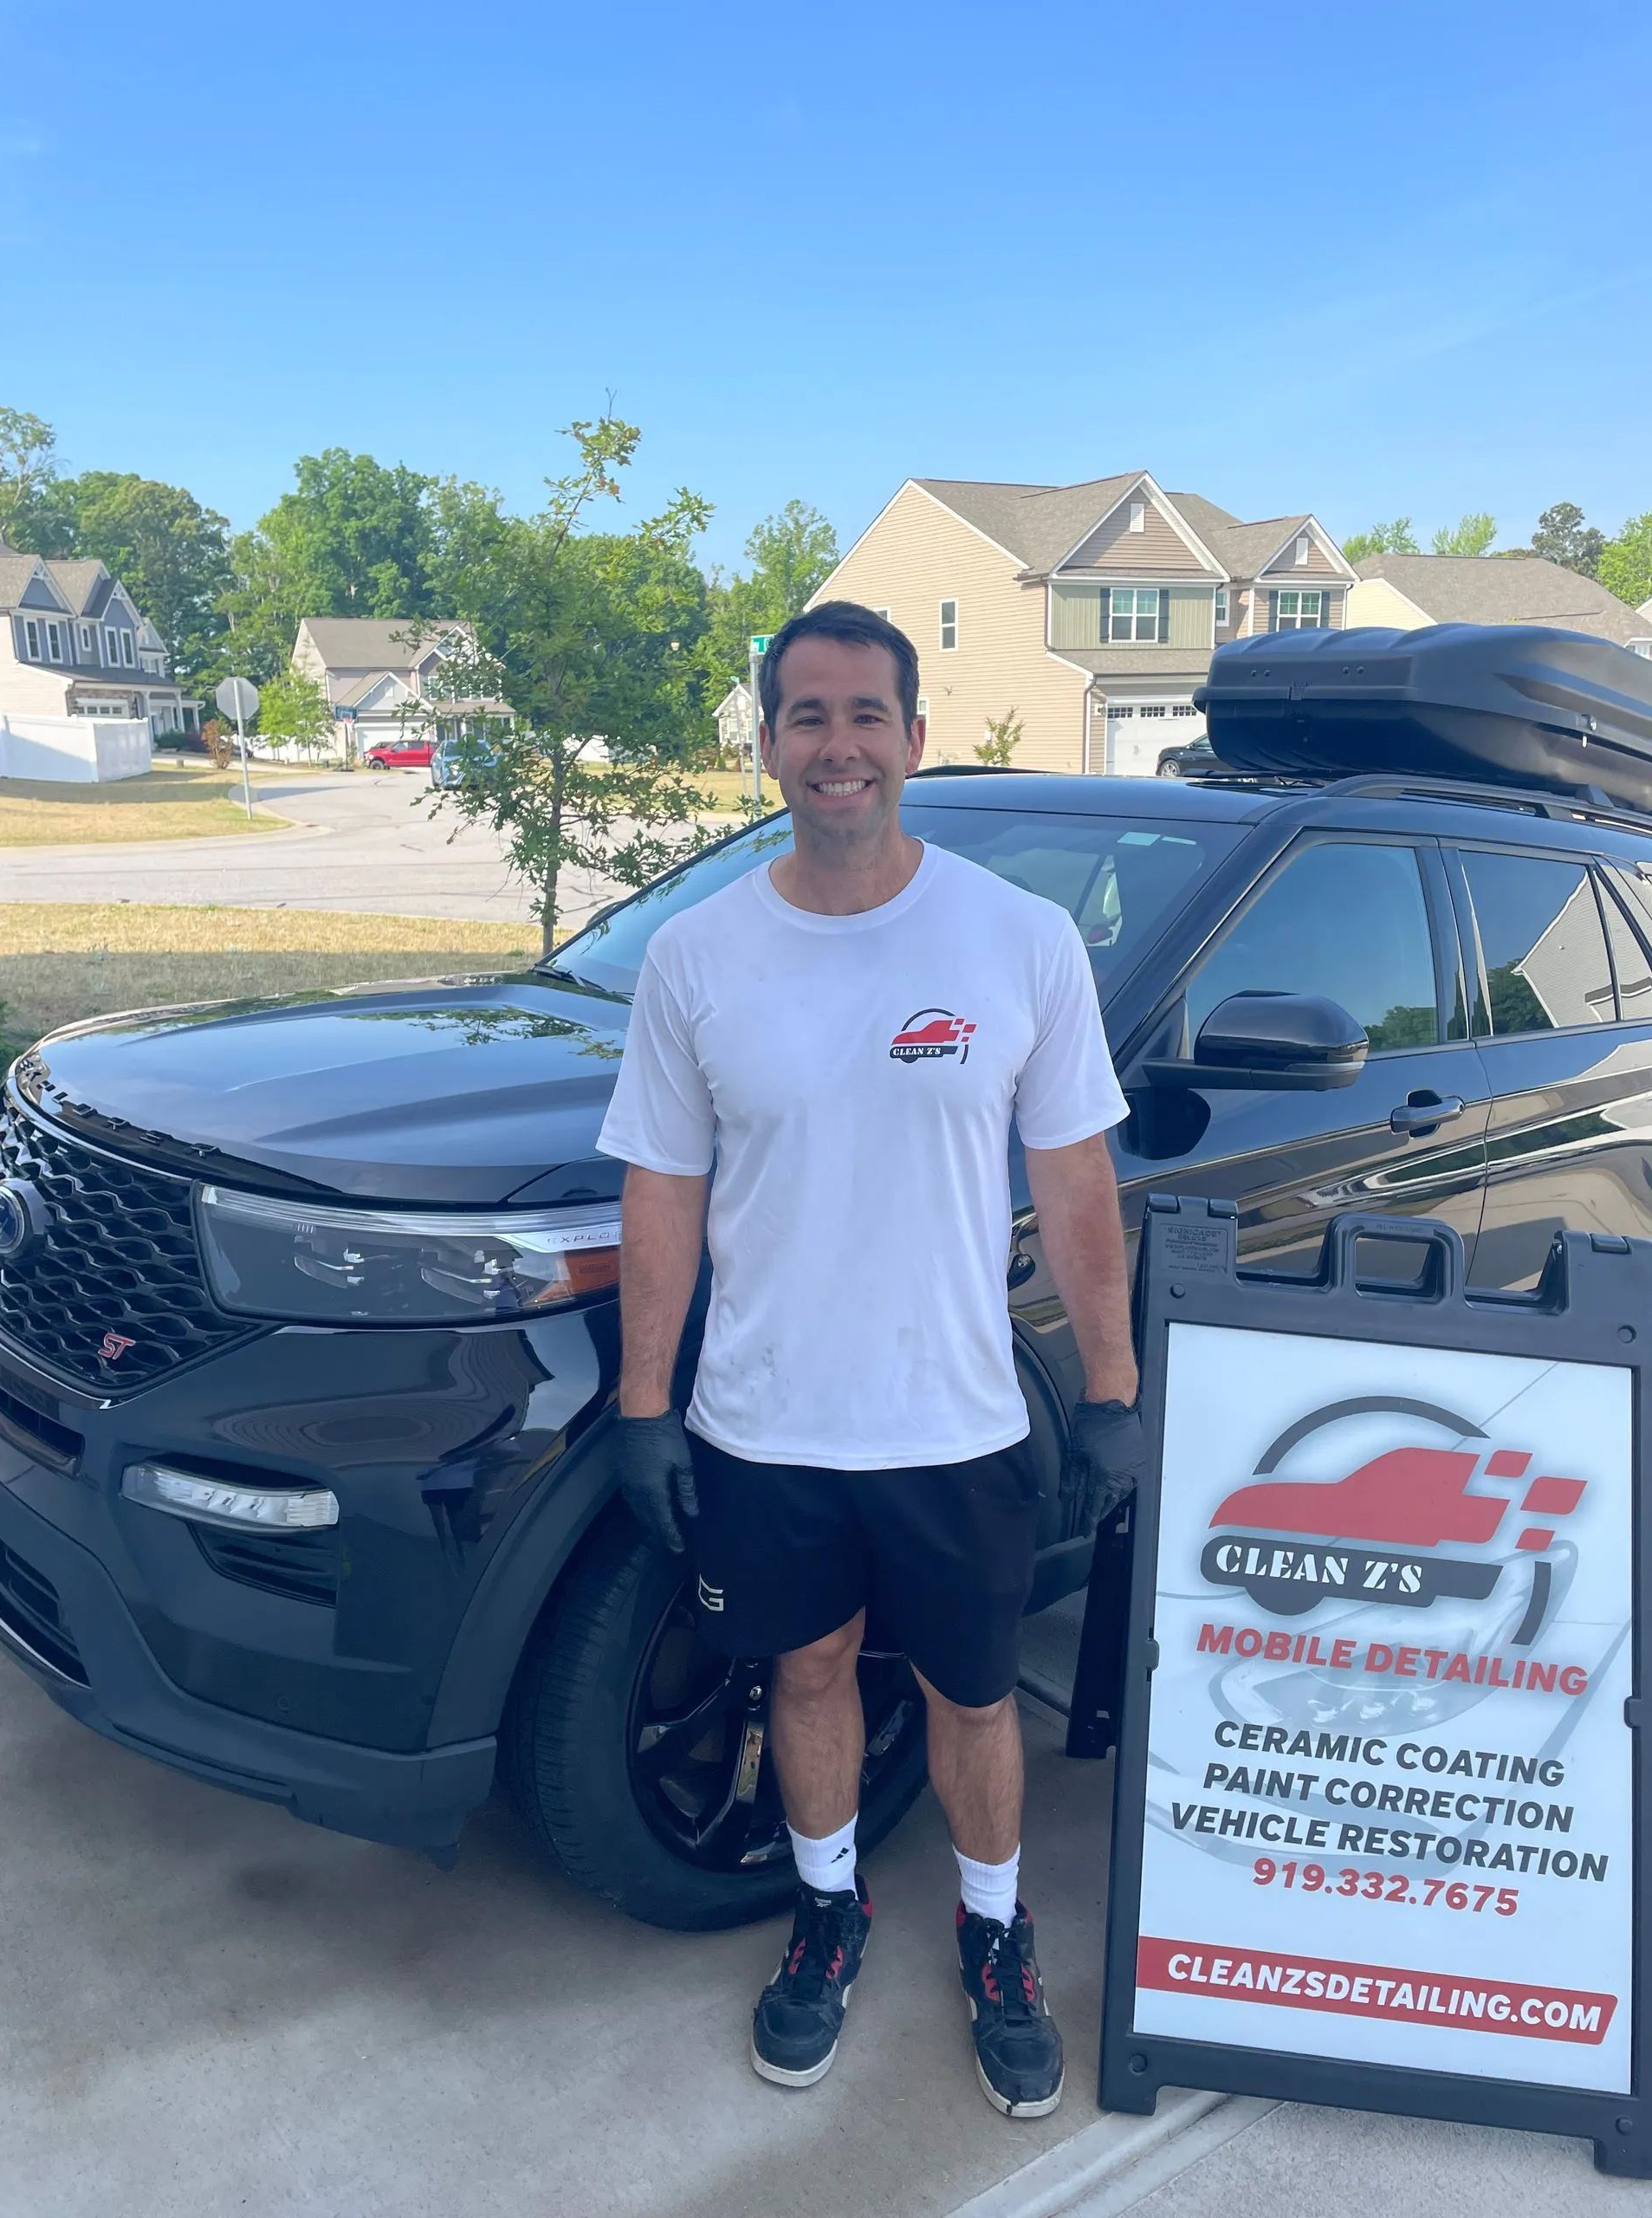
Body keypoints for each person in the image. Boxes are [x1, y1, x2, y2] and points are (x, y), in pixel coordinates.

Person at [597, 601, 1144, 2117]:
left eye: (865, 715)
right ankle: (829, 1909)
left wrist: (1112, 1394)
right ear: (769, 743)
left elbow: (1077, 1186)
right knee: (808, 1669)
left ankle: (995, 1931)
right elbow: (662, 1188)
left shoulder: (1018, 941)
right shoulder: (698, 957)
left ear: (913, 735)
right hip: (765, 1423)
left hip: (954, 1422)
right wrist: (644, 1408)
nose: (837, 746)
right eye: (807, 716)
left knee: (974, 1695)